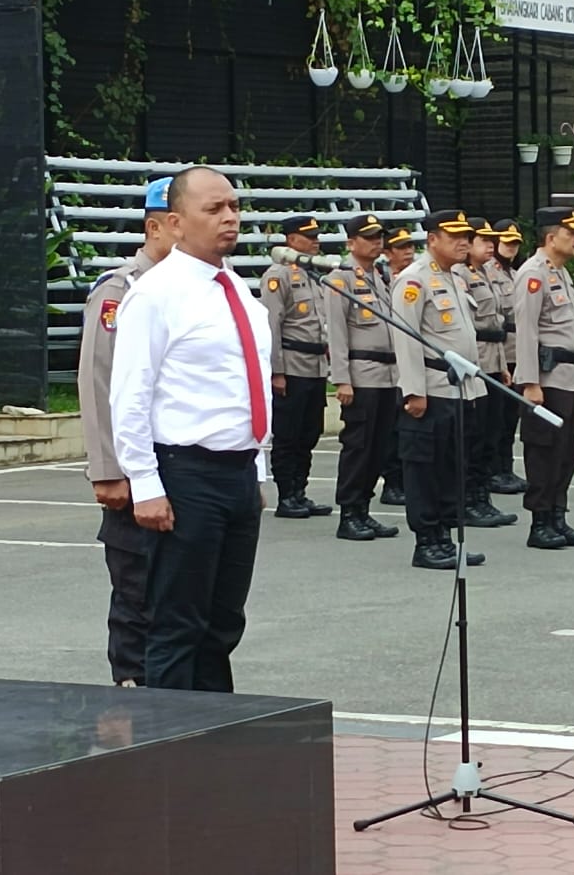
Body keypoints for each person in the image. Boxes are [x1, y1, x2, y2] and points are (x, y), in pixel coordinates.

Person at [109, 165, 270, 692]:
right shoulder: (157, 293)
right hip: (186, 472)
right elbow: (129, 394)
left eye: (234, 207)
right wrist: (146, 485)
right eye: (214, 209)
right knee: (178, 622)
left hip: (237, 473)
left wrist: (259, 469)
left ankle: (213, 736)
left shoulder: (236, 290)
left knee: (223, 622)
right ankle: (169, 750)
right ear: (175, 223)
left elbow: (247, 385)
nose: (230, 218)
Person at [78, 176, 175, 687]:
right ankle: (132, 699)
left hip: (185, 469)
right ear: (156, 226)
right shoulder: (121, 290)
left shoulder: (204, 288)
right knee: (138, 591)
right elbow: (97, 382)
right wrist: (108, 469)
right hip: (135, 470)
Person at [391, 210, 487, 570]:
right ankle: (427, 540)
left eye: (466, 235)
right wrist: (414, 391)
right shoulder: (414, 280)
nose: (463, 242)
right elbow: (406, 338)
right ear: (432, 239)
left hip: (460, 390)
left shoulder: (455, 278)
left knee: (452, 467)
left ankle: (446, 536)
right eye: (454, 236)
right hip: (431, 389)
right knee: (425, 468)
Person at [514, 207, 574, 550]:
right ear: (550, 238)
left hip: (566, 378)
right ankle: (540, 521)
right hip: (546, 381)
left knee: (565, 453)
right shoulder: (533, 273)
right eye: (571, 232)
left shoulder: (559, 272)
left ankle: (558, 516)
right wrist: (530, 382)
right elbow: (527, 331)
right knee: (544, 452)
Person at [325, 213, 402, 541]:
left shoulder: (380, 276)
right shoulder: (340, 279)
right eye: (369, 237)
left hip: (386, 375)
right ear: (351, 243)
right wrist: (342, 379)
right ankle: (349, 512)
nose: (377, 242)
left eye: (378, 237)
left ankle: (364, 510)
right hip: (362, 375)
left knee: (379, 446)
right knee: (359, 446)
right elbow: (338, 334)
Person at [260, 215, 331, 519]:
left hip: (315, 365)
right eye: (309, 236)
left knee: (309, 432)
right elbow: (271, 325)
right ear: (291, 240)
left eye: (317, 236)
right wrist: (276, 371)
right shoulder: (279, 275)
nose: (316, 241)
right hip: (292, 364)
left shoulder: (314, 274)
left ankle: (300, 491)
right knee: (288, 434)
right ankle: (287, 494)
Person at [459, 217, 516, 529]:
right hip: (476, 364)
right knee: (475, 436)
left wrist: (503, 367)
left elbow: (498, 323)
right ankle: (470, 500)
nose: (491, 245)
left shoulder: (487, 273)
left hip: (494, 361)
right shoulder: (459, 275)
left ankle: (483, 497)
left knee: (492, 433)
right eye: (484, 240)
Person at [486, 219, 528, 496]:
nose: (511, 248)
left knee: (510, 417)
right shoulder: (489, 272)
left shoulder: (514, 273)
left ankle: (505, 467)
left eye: (515, 244)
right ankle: (494, 470)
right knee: (496, 417)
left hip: (515, 351)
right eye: (506, 242)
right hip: (500, 350)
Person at [378, 226, 417, 506]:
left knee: (406, 428)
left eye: (410, 247)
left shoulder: (414, 280)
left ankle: (402, 481)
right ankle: (392, 483)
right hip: (386, 364)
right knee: (390, 430)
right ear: (387, 253)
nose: (408, 252)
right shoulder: (380, 280)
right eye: (401, 248)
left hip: (406, 363)